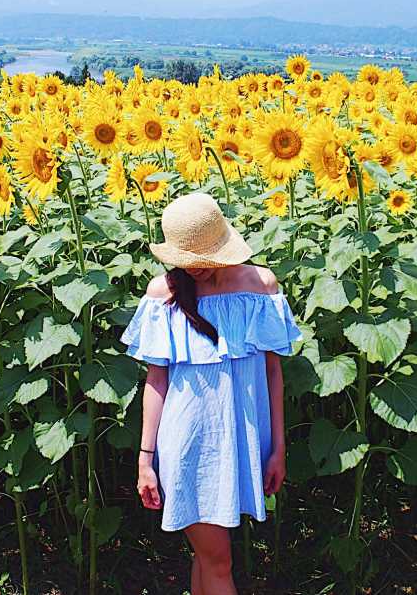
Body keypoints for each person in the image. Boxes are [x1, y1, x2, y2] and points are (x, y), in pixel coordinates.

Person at [120, 191, 303, 595]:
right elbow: (156, 381)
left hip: (242, 443)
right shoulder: (163, 294)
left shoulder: (261, 286)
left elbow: (273, 373)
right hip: (188, 447)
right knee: (219, 560)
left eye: (203, 257)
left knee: (209, 559)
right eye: (186, 259)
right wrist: (145, 460)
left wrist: (278, 448)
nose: (196, 269)